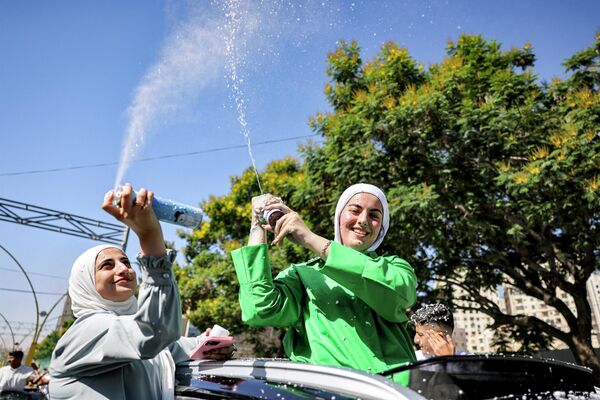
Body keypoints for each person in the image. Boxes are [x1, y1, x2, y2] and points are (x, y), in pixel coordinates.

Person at [49, 185, 233, 400]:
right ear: (86, 284)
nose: (124, 269)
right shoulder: (85, 333)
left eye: (125, 262)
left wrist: (217, 345)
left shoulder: (140, 337)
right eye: (107, 265)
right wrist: (149, 235)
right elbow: (154, 332)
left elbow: (178, 344)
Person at [231, 183, 417, 385]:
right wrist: (258, 225)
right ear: (338, 217)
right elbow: (259, 308)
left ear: (382, 227)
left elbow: (399, 295)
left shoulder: (395, 267)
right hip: (329, 392)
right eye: (354, 210)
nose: (363, 220)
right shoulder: (303, 275)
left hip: (395, 392)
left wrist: (309, 238)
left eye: (374, 216)